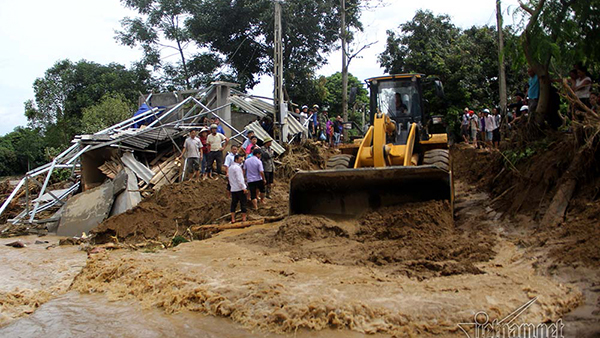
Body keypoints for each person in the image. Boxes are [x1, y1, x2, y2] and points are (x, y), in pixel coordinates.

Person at [228, 154, 247, 224]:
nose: (241, 161)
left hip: (233, 189)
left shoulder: (230, 168)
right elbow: (240, 179)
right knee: (243, 203)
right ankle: (244, 218)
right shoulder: (237, 168)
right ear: (236, 160)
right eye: (240, 160)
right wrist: (243, 187)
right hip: (239, 188)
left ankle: (233, 218)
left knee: (233, 204)